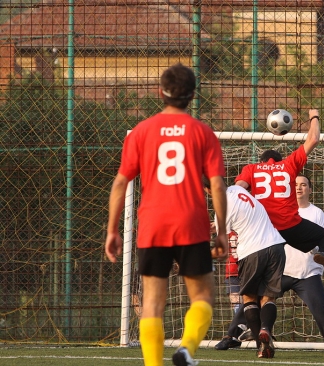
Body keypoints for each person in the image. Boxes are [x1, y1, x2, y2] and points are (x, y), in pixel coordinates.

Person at [104, 63, 228, 366]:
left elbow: (121, 182)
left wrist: (112, 229)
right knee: (202, 297)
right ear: (192, 94)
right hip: (191, 222)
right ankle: (186, 349)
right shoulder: (203, 132)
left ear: (161, 92)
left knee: (152, 304)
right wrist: (222, 229)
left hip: (153, 223)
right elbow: (216, 183)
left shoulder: (142, 131)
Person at [215, 174, 324, 353]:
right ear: (289, 188)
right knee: (252, 296)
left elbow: (318, 236)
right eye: (296, 184)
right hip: (281, 269)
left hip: (306, 272)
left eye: (304, 185)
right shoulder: (280, 209)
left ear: (310, 190)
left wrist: (318, 249)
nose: (299, 188)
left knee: (320, 305)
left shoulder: (316, 213)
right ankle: (232, 336)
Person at [235, 108, 324, 276]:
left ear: (262, 161)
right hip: (290, 225)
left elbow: (238, 191)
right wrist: (314, 116)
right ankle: (321, 252)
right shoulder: (288, 165)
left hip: (264, 229)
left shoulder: (251, 169)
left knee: (263, 280)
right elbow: (313, 139)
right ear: (280, 160)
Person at [204, 180, 286, 359]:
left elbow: (221, 251)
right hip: (277, 246)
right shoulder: (236, 189)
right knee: (268, 297)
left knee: (249, 298)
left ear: (207, 190)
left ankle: (260, 345)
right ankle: (265, 329)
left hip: (252, 251)